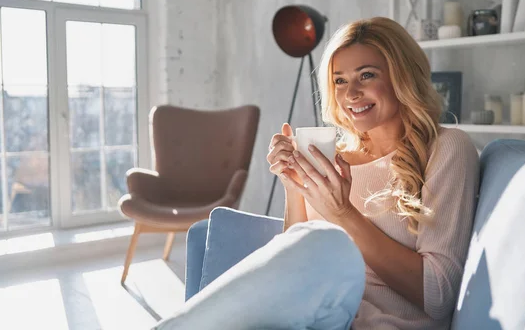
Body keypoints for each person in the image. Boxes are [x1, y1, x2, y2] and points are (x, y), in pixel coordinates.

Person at [153, 17, 479, 329]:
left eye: (366, 75)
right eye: (339, 80)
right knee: (312, 245)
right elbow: (294, 263)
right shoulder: (332, 157)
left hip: (374, 323)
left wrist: (343, 213)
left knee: (325, 243)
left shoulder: (445, 149)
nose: (350, 94)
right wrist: (293, 188)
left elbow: (438, 294)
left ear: (402, 77)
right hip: (310, 315)